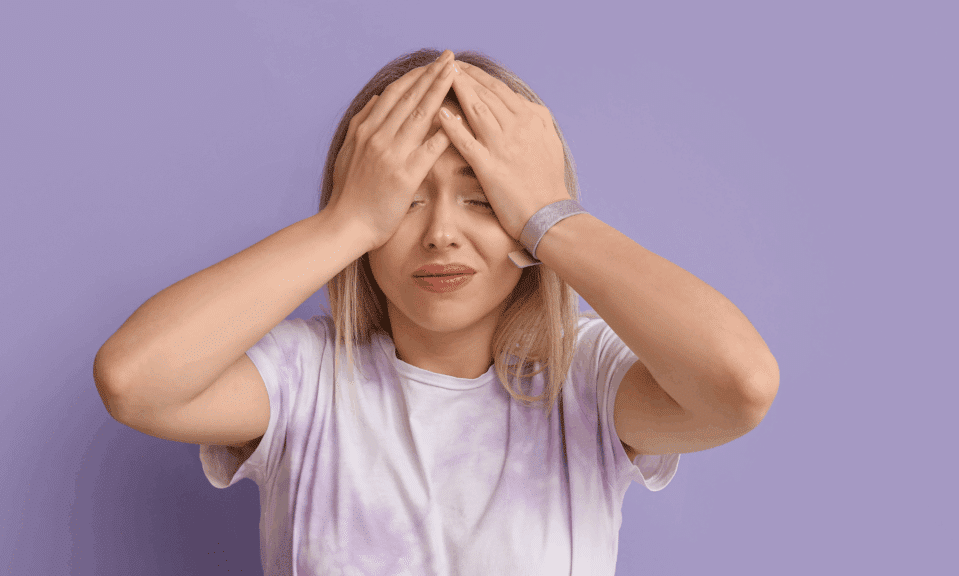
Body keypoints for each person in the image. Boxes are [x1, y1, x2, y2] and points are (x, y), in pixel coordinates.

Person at [93, 48, 779, 575]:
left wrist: (555, 218)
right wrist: (346, 222)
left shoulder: (588, 380)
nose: (441, 233)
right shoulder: (305, 376)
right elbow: (134, 381)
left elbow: (739, 386)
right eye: (405, 200)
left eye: (482, 199)